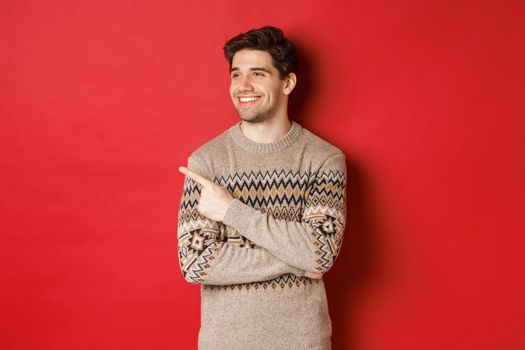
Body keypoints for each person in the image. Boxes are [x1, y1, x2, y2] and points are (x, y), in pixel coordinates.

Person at [177, 25, 347, 350]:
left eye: (257, 73)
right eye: (236, 74)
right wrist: (298, 257)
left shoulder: (324, 160)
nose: (243, 86)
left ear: (288, 82)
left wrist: (230, 210)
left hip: (303, 342)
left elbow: (319, 254)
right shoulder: (206, 162)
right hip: (224, 343)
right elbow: (196, 262)